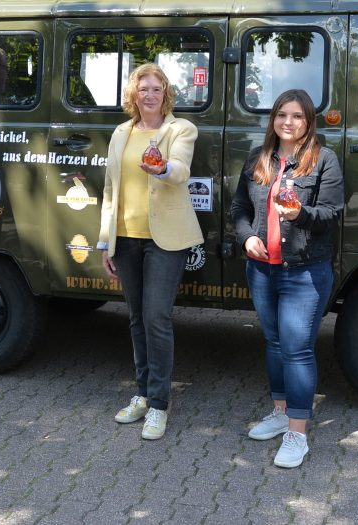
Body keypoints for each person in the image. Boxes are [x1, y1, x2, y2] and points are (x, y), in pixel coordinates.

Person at [230, 89, 344, 468]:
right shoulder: (259, 159)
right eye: (282, 115)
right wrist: (246, 237)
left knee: (297, 348)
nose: (288, 122)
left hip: (305, 270)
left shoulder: (323, 160)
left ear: (308, 122)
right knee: (275, 343)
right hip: (262, 268)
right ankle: (280, 412)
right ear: (273, 120)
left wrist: (301, 215)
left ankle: (298, 433)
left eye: (297, 116)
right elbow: (240, 209)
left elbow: (332, 212)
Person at [97, 63, 203, 440]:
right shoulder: (120, 133)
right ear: (134, 94)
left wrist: (160, 169)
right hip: (125, 237)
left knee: (156, 317)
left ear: (166, 94)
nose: (150, 95)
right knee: (137, 319)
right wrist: (105, 241)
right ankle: (142, 393)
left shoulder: (180, 129)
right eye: (144, 89)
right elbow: (111, 189)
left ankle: (159, 404)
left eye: (157, 89)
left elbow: (181, 171)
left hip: (166, 239)